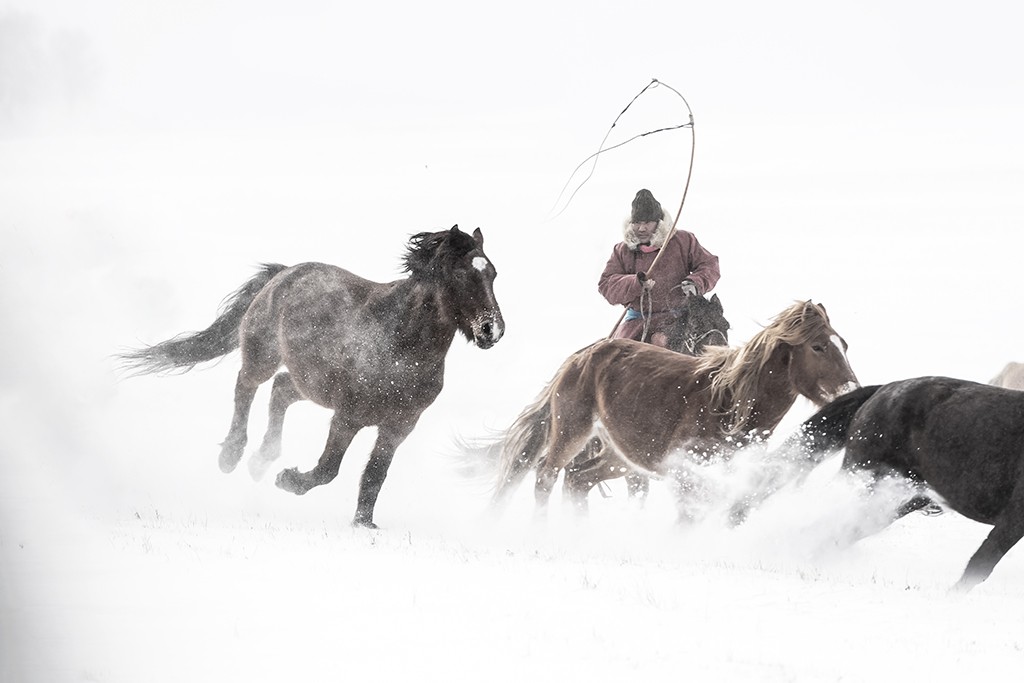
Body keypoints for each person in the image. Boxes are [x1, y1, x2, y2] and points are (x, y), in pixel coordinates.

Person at [598, 188, 720, 347]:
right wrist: (636, 283)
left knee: (662, 343)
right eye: (637, 223)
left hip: (679, 318)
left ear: (658, 222)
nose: (642, 229)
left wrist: (696, 283)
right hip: (637, 321)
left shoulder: (683, 241)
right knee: (614, 354)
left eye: (647, 223)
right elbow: (606, 285)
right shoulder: (622, 250)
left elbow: (709, 265)